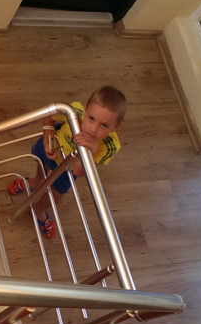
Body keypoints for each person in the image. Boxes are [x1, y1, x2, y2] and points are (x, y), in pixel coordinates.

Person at [8, 85, 126, 239]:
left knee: (56, 197)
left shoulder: (110, 146)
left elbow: (78, 172)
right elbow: (49, 117)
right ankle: (37, 181)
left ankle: (38, 210)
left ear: (116, 127)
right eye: (91, 118)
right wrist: (47, 139)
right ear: (85, 109)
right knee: (41, 164)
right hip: (53, 149)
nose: (93, 129)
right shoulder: (73, 111)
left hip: (68, 170)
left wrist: (90, 152)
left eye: (104, 125)